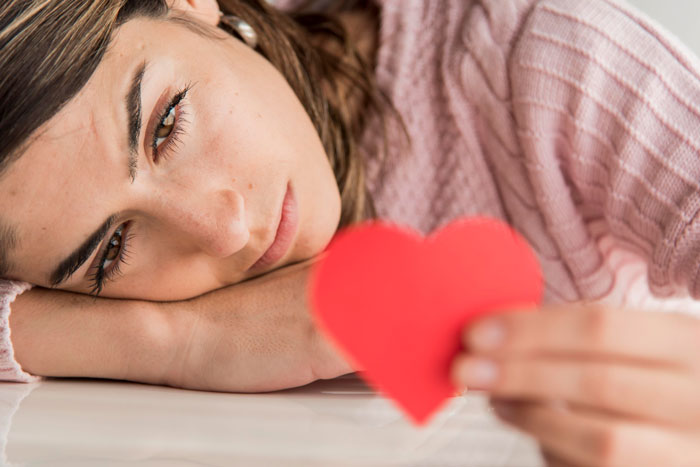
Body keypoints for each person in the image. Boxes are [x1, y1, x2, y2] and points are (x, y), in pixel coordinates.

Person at [1, 0, 700, 464]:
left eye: (166, 124)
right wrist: (182, 342)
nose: (223, 228)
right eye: (114, 247)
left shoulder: (543, 63)